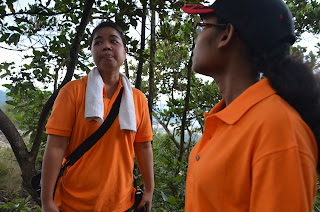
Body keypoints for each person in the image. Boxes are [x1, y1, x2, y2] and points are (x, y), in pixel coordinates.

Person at [182, 0, 320, 211]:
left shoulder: (278, 130)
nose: (196, 38)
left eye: (203, 26)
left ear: (226, 35)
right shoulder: (228, 117)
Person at [40, 21, 154, 212]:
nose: (106, 46)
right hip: (72, 203)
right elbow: (55, 146)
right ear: (92, 52)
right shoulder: (73, 92)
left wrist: (150, 188)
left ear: (125, 51)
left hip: (121, 202)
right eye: (98, 42)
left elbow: (143, 147)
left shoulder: (137, 99)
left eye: (113, 41)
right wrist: (46, 201)